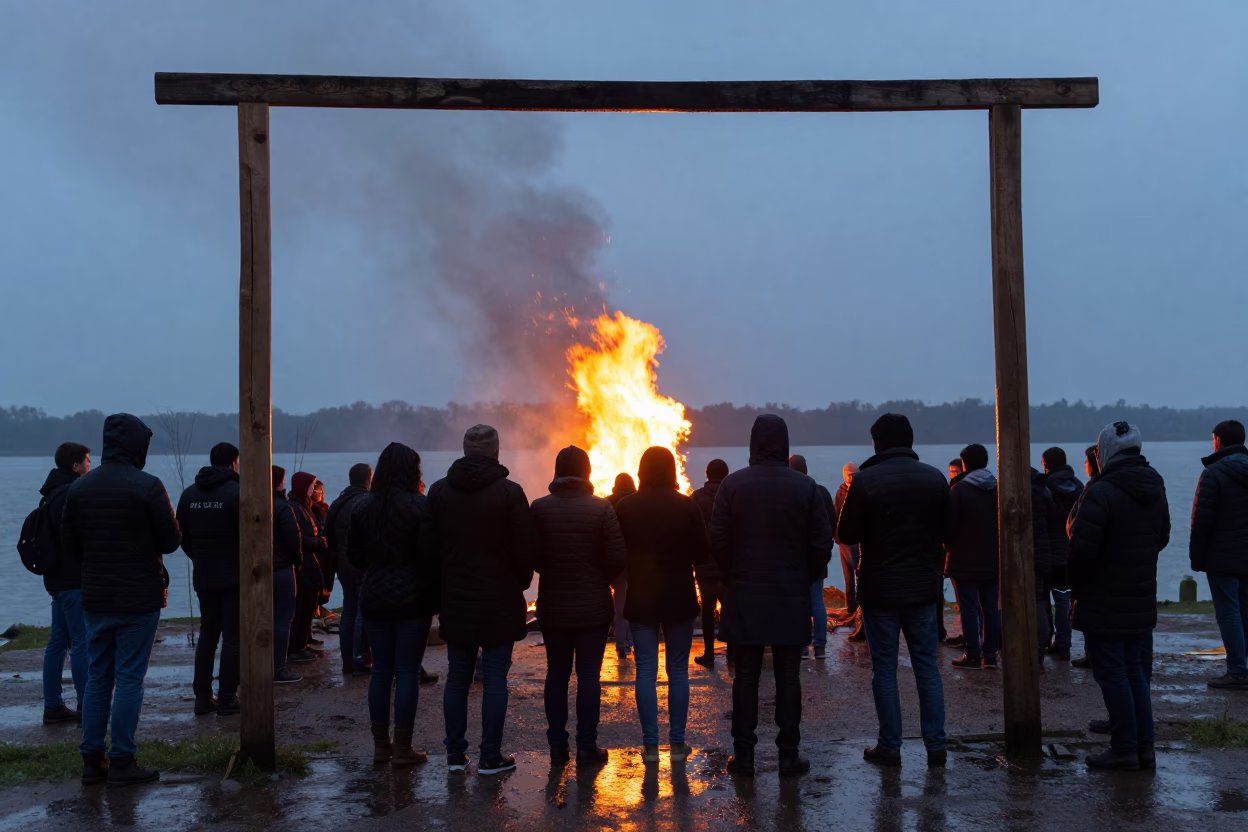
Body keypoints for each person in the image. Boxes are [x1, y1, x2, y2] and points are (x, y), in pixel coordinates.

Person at [61, 414, 182, 787]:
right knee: (130, 678)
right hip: (138, 599)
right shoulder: (148, 486)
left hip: (96, 596)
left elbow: (70, 547)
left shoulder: (79, 488)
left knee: (99, 676)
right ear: (137, 446)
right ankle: (123, 760)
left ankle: (90, 760)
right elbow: (170, 542)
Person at [709, 418, 833, 777]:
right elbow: (821, 543)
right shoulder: (806, 487)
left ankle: (744, 755)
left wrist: (734, 575)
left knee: (745, 677)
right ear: (784, 443)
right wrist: (803, 576)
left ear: (752, 444)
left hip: (745, 593)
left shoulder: (732, 485)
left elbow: (717, 539)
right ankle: (788, 755)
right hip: (790, 595)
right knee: (788, 675)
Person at [420, 424, 537, 775]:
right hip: (499, 599)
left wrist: (439, 591)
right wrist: (518, 583)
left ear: (466, 450)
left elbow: (426, 550)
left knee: (457, 676)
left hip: (456, 598)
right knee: (496, 676)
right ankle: (490, 756)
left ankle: (455, 756)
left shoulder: (439, 492)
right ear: (496, 451)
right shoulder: (510, 493)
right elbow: (525, 549)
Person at [837, 413, 949, 767]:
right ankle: (936, 745)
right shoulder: (935, 479)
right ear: (910, 440)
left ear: (876, 443)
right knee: (927, 668)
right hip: (922, 589)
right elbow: (950, 531)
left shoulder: (865, 482)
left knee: (884, 669)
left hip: (881, 590)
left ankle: (890, 745)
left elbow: (846, 534)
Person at [1069, 421, 1170, 771]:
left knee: (1112, 673)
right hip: (1141, 595)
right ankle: (1145, 749)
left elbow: (1081, 550)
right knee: (1136, 673)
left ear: (1105, 452)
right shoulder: (1156, 485)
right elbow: (1163, 536)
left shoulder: (1101, 491)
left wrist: (1076, 589)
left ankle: (1124, 747)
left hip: (1104, 598)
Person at [531, 446, 627, 766]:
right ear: (586, 470)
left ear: (557, 470)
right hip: (593, 608)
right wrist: (595, 575)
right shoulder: (601, 509)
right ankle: (587, 747)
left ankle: (557, 747)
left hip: (554, 607)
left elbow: (533, 556)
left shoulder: (539, 508)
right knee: (588, 676)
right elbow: (616, 558)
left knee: (556, 675)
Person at [615, 446, 707, 765]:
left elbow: (617, 553)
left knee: (645, 671)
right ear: (671, 471)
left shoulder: (626, 507)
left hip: (642, 597)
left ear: (642, 471)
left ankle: (651, 747)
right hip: (679, 597)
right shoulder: (687, 506)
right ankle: (678, 746)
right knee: (678, 671)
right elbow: (700, 553)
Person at [348, 443, 437, 768]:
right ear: (412, 471)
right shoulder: (420, 506)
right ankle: (403, 748)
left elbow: (354, 555)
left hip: (374, 594)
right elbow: (430, 554)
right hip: (413, 598)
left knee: (381, 672)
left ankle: (380, 747)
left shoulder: (362, 506)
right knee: (407, 671)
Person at [175, 442, 241, 717]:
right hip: (235, 575)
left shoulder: (189, 495)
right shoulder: (238, 493)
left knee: (208, 635)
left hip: (203, 573)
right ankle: (227, 698)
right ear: (234, 463)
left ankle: (202, 698)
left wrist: (200, 557)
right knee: (234, 638)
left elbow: (181, 536)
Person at [1189, 419, 1248, 689]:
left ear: (1219, 441)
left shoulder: (1213, 473)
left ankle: (1237, 671)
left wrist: (1197, 558)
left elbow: (1201, 521)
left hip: (1222, 556)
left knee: (1229, 613)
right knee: (1245, 610)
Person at [37, 442, 92, 725]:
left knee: (57, 642)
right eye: (87, 461)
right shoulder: (72, 493)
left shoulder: (49, 494)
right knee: (82, 642)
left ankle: (52, 705)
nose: (89, 465)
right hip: (73, 580)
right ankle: (86, 706)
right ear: (75, 466)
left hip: (54, 579)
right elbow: (78, 538)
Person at [944, 444, 1001, 670]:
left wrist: (947, 545)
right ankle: (992, 656)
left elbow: (949, 526)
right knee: (990, 608)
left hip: (963, 558)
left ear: (964, 463)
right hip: (992, 558)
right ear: (986, 462)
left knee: (968, 608)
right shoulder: (998, 488)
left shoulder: (959, 490)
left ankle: (973, 655)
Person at [788, 454, 837, 660]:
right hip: (819, 555)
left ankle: (801, 645)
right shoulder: (822, 491)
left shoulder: (789, 492)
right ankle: (820, 647)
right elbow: (832, 523)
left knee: (798, 602)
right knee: (818, 601)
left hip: (796, 558)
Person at [326, 463, 373, 676]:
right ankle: (359, 658)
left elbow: (330, 537)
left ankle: (347, 659)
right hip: (362, 563)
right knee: (363, 611)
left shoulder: (337, 502)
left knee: (348, 610)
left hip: (342, 564)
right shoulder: (367, 501)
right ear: (367, 479)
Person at [1040, 447, 1084, 660]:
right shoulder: (1079, 486)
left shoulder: (1044, 487)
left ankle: (1046, 640)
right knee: (1064, 600)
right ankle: (1064, 643)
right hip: (1071, 552)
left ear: (1046, 464)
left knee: (1043, 600)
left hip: (1049, 551)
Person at [691, 459, 730, 666]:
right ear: (726, 474)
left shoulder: (696, 498)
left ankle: (709, 654)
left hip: (705, 564)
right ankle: (733, 651)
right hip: (727, 565)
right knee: (730, 609)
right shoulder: (733, 495)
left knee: (707, 611)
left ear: (707, 474)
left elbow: (691, 531)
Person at [286, 472, 327, 664]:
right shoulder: (295, 507)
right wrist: (319, 543)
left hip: (310, 562)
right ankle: (295, 647)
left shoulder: (304, 506)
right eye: (311, 485)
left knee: (308, 607)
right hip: (304, 564)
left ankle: (302, 643)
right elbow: (299, 537)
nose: (314, 489)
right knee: (301, 608)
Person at [271, 467, 303, 684]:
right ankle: (278, 667)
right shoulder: (282, 508)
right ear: (279, 483)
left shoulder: (247, 502)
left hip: (253, 571)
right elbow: (294, 540)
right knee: (283, 619)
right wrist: (297, 562)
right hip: (281, 569)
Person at [1070, 446, 1101, 671]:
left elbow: (1078, 525)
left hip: (1091, 561)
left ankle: (1094, 654)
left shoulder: (1094, 489)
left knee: (1091, 609)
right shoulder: (1087, 487)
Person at [1030, 467, 1063, 666]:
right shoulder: (1045, 492)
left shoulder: (1028, 494)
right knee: (1041, 601)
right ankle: (1041, 646)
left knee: (1036, 602)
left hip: (1031, 555)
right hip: (1047, 554)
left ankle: (1036, 650)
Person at [607, 473, 637, 659]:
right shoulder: (638, 503)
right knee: (634, 605)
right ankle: (630, 643)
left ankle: (620, 645)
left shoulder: (606, 504)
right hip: (634, 563)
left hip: (614, 563)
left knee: (619, 607)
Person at [834, 463, 864, 642]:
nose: (852, 478)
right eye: (849, 475)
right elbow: (835, 513)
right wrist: (837, 538)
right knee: (848, 577)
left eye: (855, 474)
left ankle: (861, 608)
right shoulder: (840, 492)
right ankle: (850, 606)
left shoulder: (862, 491)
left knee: (860, 573)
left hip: (859, 540)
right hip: (844, 540)